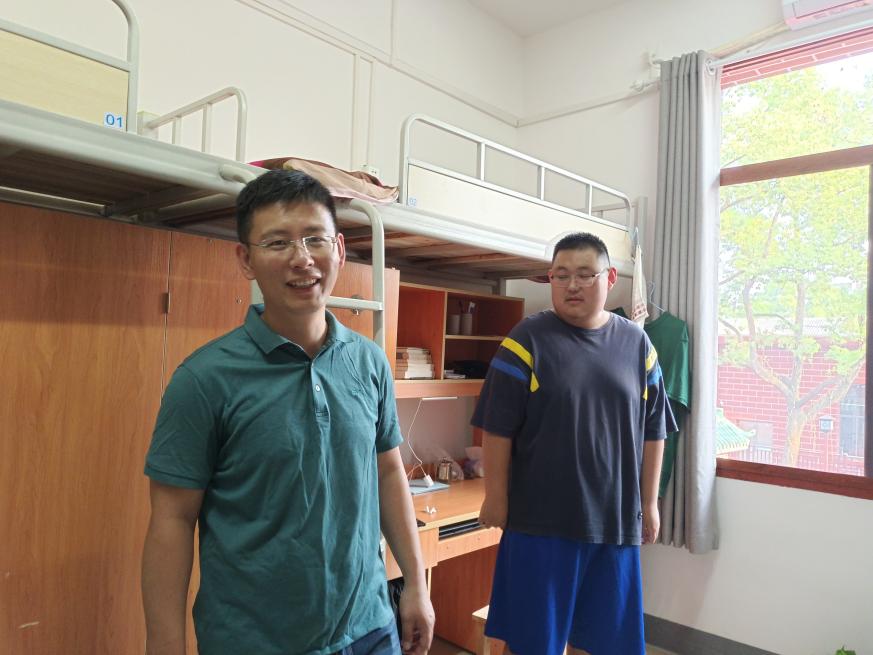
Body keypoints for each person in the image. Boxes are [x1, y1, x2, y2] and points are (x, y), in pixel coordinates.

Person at [141, 170, 434, 655]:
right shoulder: (204, 379)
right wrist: (164, 643)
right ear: (246, 259)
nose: (302, 259)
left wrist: (416, 585)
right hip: (255, 641)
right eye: (278, 242)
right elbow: (172, 518)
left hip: (369, 627)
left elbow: (387, 472)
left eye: (315, 239)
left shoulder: (368, 361)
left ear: (339, 249)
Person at [473, 232, 674, 655]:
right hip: (540, 525)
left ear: (610, 278)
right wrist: (496, 496)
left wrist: (650, 503)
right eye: (561, 275)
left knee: (602, 644)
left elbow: (655, 429)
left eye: (585, 274)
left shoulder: (637, 344)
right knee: (532, 644)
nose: (572, 285)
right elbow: (497, 427)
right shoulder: (526, 340)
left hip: (615, 524)